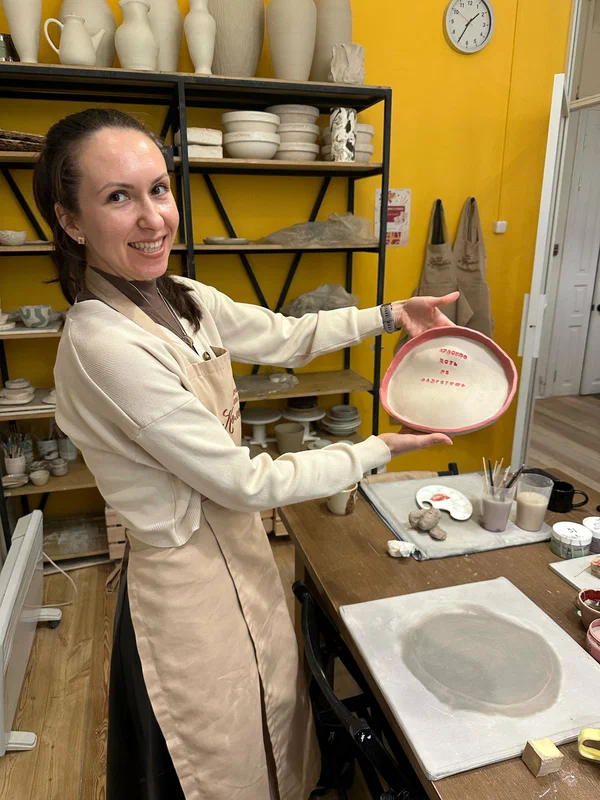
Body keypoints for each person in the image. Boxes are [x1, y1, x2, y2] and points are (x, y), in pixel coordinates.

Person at [33, 108, 457, 800]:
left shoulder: (180, 298)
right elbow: (245, 482)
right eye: (118, 197)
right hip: (184, 581)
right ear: (71, 220)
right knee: (214, 755)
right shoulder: (103, 345)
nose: (153, 217)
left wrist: (387, 315)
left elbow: (284, 337)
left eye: (159, 189)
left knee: (273, 716)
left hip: (238, 550)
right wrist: (372, 450)